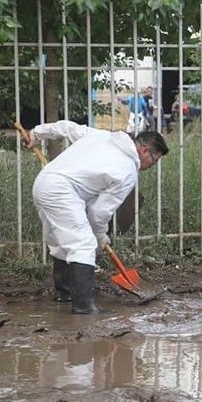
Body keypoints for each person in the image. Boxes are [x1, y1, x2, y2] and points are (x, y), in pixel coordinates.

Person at [24, 120, 169, 314]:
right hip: (62, 192)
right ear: (144, 151)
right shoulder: (127, 170)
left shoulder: (102, 136)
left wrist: (37, 132)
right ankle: (84, 307)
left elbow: (68, 127)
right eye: (155, 159)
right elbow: (98, 213)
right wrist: (100, 236)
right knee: (83, 244)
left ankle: (65, 293)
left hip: (43, 183)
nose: (153, 165)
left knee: (61, 241)